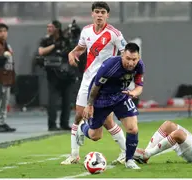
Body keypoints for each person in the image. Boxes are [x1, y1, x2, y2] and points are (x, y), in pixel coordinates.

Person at [61, 2, 128, 165]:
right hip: (87, 79)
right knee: (77, 115)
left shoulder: (115, 34)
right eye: (97, 12)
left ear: (107, 15)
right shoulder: (86, 31)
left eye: (103, 12)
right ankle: (74, 155)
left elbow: (125, 54)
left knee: (107, 123)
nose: (99, 15)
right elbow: (81, 47)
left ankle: (127, 153)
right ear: (92, 14)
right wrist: (72, 52)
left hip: (105, 83)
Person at [77, 42, 144, 169]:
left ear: (138, 58)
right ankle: (82, 128)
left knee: (133, 128)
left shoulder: (139, 66)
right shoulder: (110, 66)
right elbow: (95, 87)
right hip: (101, 98)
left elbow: (139, 85)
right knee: (95, 136)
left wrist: (133, 93)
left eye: (134, 59)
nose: (131, 63)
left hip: (120, 96)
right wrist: (90, 105)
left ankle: (129, 160)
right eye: (128, 59)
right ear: (123, 55)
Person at [38, 20, 75, 131]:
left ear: (57, 28)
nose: (49, 29)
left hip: (67, 74)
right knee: (52, 101)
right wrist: (54, 45)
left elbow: (74, 51)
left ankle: (65, 123)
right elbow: (41, 52)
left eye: (51, 27)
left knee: (67, 100)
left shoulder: (66, 40)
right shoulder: (45, 40)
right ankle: (52, 124)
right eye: (48, 27)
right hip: (53, 74)